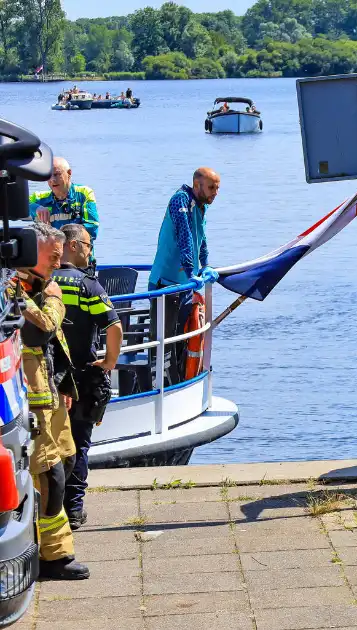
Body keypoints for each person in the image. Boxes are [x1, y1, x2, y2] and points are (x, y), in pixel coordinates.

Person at [7, 223, 88, 579]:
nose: (58, 265)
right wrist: (54, 300)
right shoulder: (11, 288)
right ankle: (54, 556)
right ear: (29, 251)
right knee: (50, 473)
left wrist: (66, 384)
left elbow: (53, 338)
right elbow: (42, 327)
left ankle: (40, 539)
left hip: (50, 390)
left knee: (67, 461)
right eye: (53, 258)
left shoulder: (38, 284)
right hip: (27, 397)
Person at [52, 225, 122, 530]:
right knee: (79, 443)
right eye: (87, 245)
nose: (90, 251)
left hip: (47, 377)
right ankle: (74, 509)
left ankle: (48, 508)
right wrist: (108, 362)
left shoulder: (44, 281)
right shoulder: (88, 286)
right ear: (71, 246)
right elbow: (114, 327)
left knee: (49, 444)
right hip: (82, 376)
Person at [148, 167, 220, 386]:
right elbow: (185, 238)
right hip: (166, 284)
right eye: (211, 188)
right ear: (197, 185)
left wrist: (206, 264)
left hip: (185, 286)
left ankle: (179, 384)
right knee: (163, 341)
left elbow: (201, 238)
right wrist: (191, 271)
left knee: (182, 339)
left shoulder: (200, 206)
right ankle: (158, 385)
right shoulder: (180, 200)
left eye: (217, 188)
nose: (215, 193)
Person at [28, 156, 100, 266]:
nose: (52, 180)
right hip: (53, 263)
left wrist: (57, 239)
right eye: (49, 176)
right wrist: (36, 208)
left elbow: (92, 230)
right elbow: (18, 203)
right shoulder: (39, 198)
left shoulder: (84, 193)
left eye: (57, 174)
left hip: (80, 262)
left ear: (69, 173)